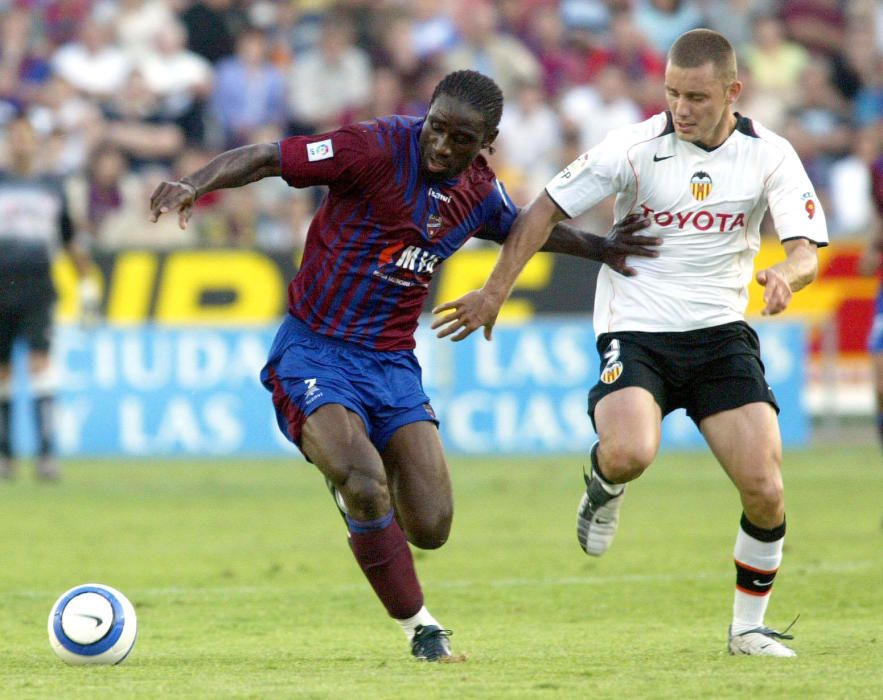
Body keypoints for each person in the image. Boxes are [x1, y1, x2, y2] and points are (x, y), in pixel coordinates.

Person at [148, 69, 660, 662]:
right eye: (436, 129)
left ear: (487, 141)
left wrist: (602, 248)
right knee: (365, 485)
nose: (442, 146)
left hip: (392, 365)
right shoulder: (370, 148)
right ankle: (420, 626)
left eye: (461, 139)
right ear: (426, 117)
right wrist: (194, 183)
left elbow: (524, 229)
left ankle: (359, 491)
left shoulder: (478, 193)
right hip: (315, 349)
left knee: (432, 527)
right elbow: (266, 157)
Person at [432, 33, 829, 657]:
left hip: (721, 335)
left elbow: (806, 252)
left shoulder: (771, 156)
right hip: (637, 329)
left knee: (766, 488)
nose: (681, 107)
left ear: (733, 92)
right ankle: (603, 483)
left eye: (696, 96)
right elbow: (543, 210)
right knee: (629, 453)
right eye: (672, 91)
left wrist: (786, 275)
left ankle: (747, 629)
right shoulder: (634, 147)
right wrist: (494, 290)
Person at [0, 115, 96, 481]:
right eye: (16, 137)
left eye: (28, 137)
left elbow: (71, 241)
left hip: (38, 286)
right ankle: (5, 455)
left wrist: (87, 287)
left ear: (36, 143)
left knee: (41, 364)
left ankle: (45, 455)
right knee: (3, 371)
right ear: (10, 141)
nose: (23, 143)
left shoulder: (52, 187)